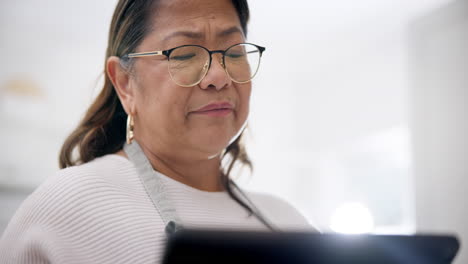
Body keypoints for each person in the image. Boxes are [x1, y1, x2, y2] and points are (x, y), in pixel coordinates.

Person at [0, 0, 317, 263]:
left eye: (234, 52)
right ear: (125, 84)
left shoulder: (289, 222)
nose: (219, 76)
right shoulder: (69, 206)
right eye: (184, 54)